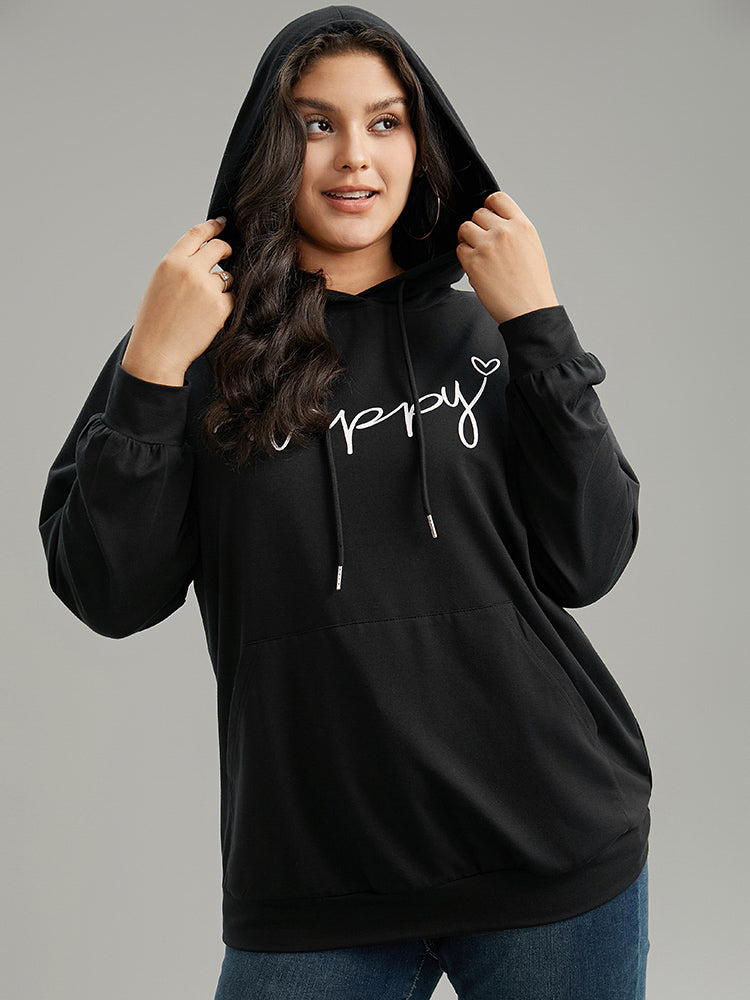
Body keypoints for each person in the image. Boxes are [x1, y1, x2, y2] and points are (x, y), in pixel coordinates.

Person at [38, 6, 653, 998]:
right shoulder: (192, 350)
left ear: (422, 143)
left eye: (386, 121)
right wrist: (151, 366)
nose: (353, 156)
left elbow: (592, 556)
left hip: (550, 852)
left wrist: (541, 327)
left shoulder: (491, 336)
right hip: (313, 885)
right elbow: (110, 591)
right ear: (269, 147)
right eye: (315, 123)